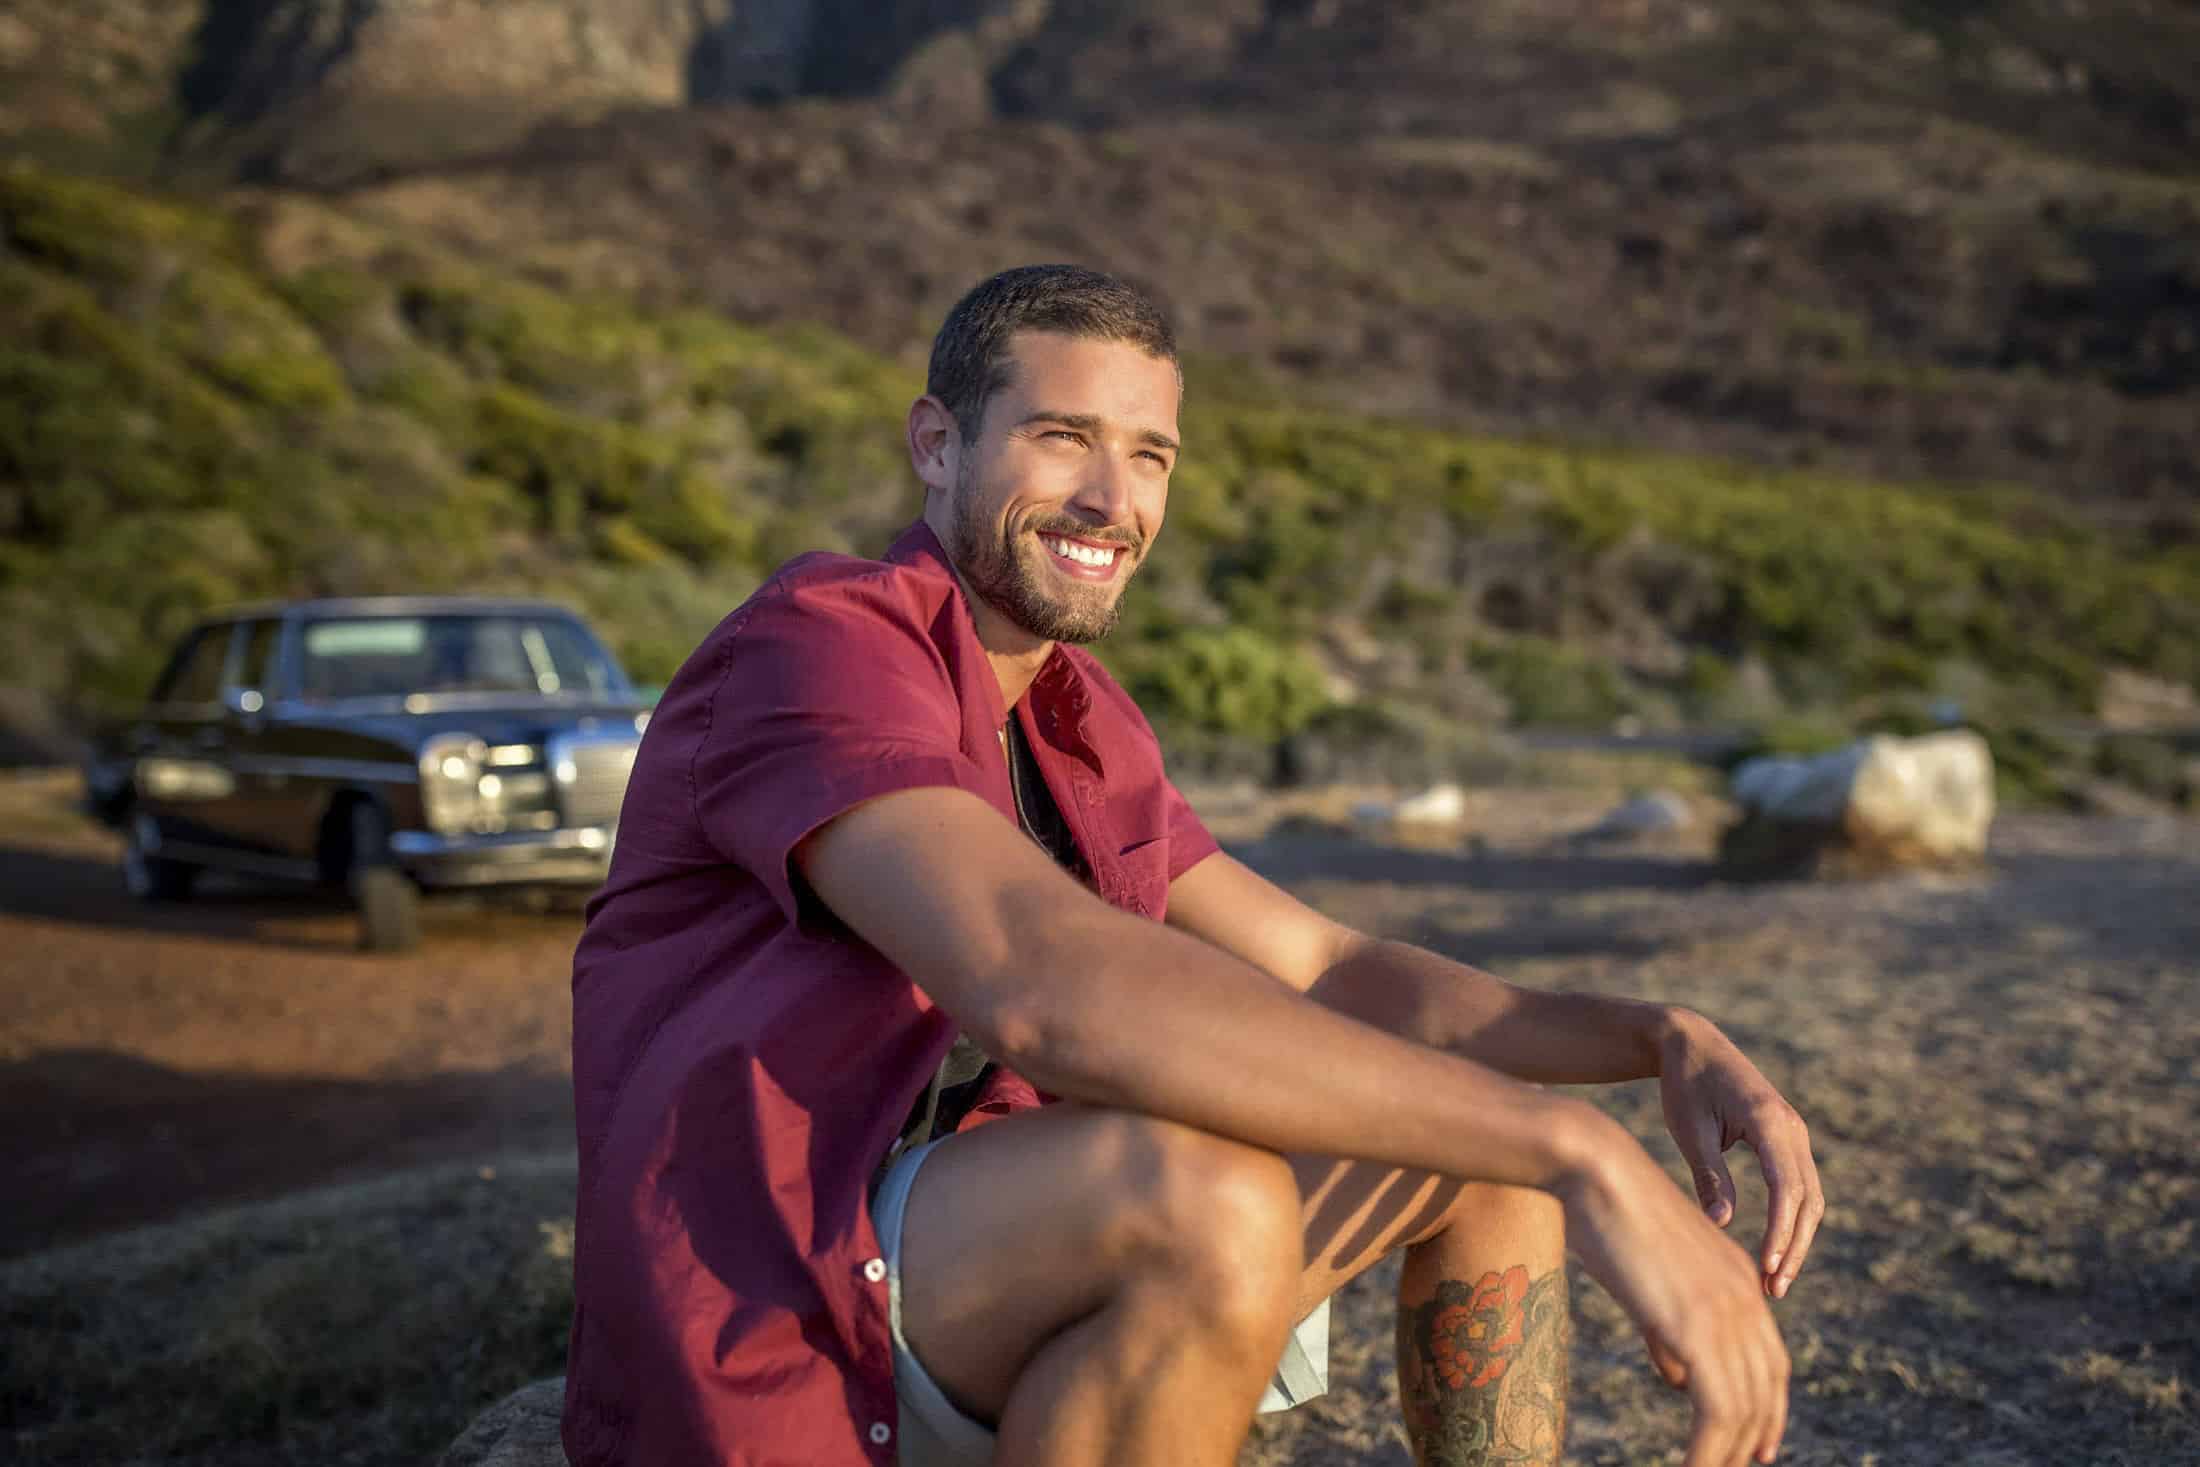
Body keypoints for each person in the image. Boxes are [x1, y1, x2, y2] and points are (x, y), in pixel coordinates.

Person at [563, 265, 1824, 1467]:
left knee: (1462, 1131)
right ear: (937, 444)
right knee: (1209, 1196)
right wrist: (1576, 1147)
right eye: (1062, 437)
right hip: (786, 1279)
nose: (1115, 500)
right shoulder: (821, 643)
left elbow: (1323, 963)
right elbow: (1037, 983)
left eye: (1150, 455)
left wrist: (1655, 1034)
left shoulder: (1080, 715)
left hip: (988, 1254)